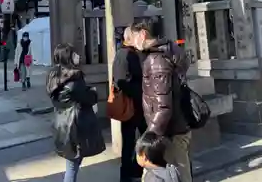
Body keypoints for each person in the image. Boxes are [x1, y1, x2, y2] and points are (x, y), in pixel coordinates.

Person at [128, 22, 192, 182]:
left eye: (133, 37)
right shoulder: (168, 50)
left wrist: (149, 137)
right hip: (174, 127)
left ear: (143, 34)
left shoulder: (156, 60)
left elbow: (163, 106)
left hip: (167, 132)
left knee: (173, 174)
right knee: (178, 173)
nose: (132, 43)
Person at [46, 43, 106, 182]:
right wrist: (93, 93)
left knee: (73, 162)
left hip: (61, 123)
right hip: (75, 125)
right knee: (72, 166)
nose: (78, 56)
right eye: (74, 54)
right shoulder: (74, 79)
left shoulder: (53, 76)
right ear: (68, 57)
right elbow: (87, 98)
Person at [113, 27, 147, 182]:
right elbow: (126, 80)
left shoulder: (121, 54)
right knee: (143, 137)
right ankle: (134, 170)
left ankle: (129, 172)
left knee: (129, 140)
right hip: (134, 104)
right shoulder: (129, 55)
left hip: (128, 105)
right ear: (129, 37)